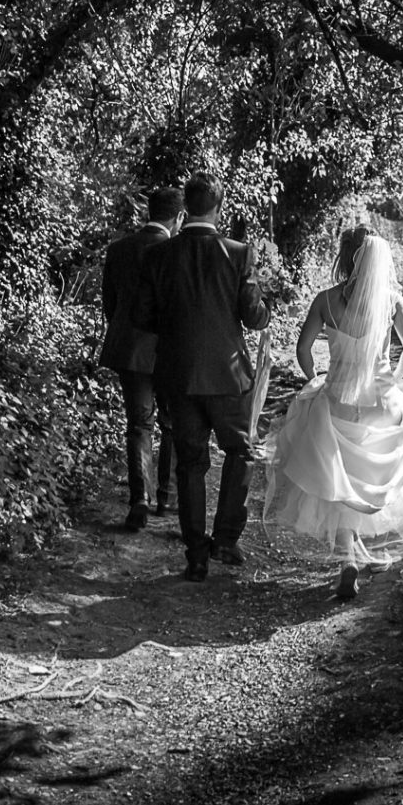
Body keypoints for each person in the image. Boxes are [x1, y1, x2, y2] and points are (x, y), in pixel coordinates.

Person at [256, 227, 403, 602]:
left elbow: (303, 348)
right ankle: (369, 551)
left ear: (345, 259)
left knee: (337, 481)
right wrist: (390, 378)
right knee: (372, 479)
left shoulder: (326, 300)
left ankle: (349, 556)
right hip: (381, 403)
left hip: (338, 399)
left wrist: (315, 380)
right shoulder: (391, 300)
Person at [131, 172, 271, 581]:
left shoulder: (160, 255)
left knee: (190, 462)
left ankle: (195, 555)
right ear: (218, 206)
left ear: (185, 209)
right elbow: (253, 315)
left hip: (178, 374)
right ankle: (225, 538)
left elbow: (143, 317)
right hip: (228, 376)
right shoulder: (238, 253)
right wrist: (266, 309)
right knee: (240, 452)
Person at [97, 188, 180, 532]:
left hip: (130, 349)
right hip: (170, 351)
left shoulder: (119, 249)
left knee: (138, 425)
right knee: (171, 424)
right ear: (179, 218)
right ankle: (167, 496)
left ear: (149, 211)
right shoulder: (176, 251)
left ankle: (139, 500)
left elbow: (110, 306)